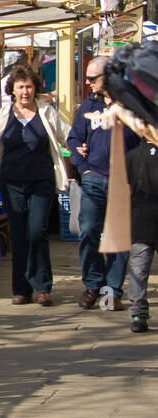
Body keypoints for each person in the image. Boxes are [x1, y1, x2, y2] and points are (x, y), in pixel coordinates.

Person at [0, 64, 73, 307]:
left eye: (29, 86)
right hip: (11, 183)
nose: (26, 91)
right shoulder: (4, 113)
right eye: (21, 87)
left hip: (41, 182)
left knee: (37, 232)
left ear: (35, 88)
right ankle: (21, 289)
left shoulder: (46, 111)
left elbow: (68, 136)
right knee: (19, 235)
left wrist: (85, 148)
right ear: (13, 90)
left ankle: (43, 287)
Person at [66, 57, 139, 309]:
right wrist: (83, 168)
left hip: (123, 182)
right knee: (88, 231)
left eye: (91, 78)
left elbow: (145, 138)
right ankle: (93, 284)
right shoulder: (88, 105)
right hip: (94, 178)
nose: (87, 82)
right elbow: (74, 139)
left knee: (119, 238)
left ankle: (112, 291)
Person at [125, 139, 158, 333]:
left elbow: (125, 190)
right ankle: (138, 312)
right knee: (138, 269)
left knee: (138, 270)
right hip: (143, 219)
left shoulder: (131, 156)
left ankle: (138, 314)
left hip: (140, 219)